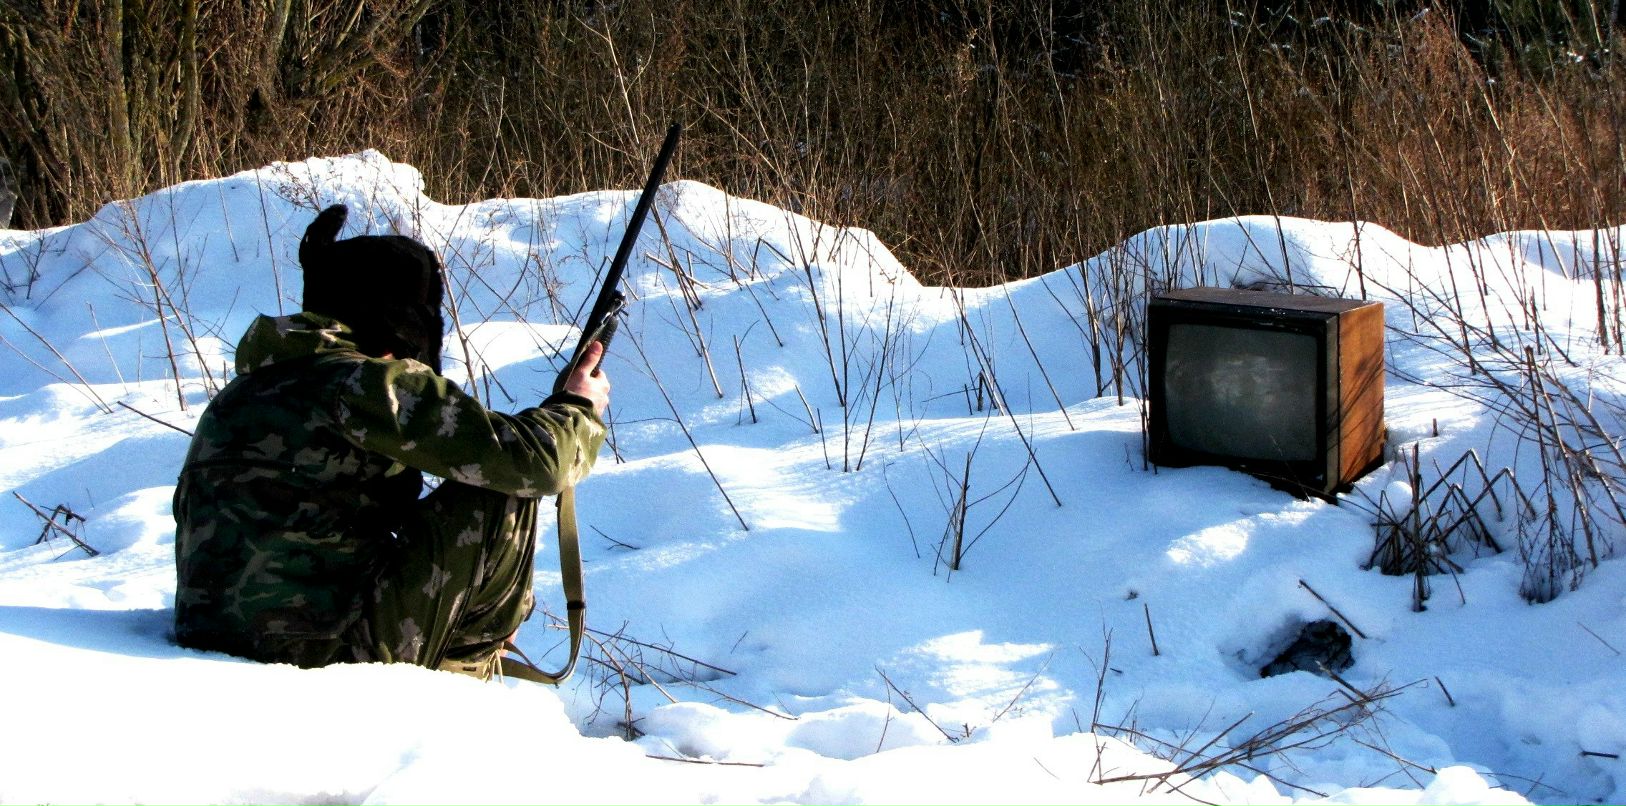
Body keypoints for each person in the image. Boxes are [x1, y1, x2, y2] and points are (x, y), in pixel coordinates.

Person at [172, 204, 609, 679]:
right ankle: (463, 675)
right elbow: (535, 461)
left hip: (210, 640)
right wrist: (577, 408)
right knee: (501, 486)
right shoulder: (363, 384)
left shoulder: (241, 393)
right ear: (395, 326)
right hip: (320, 656)